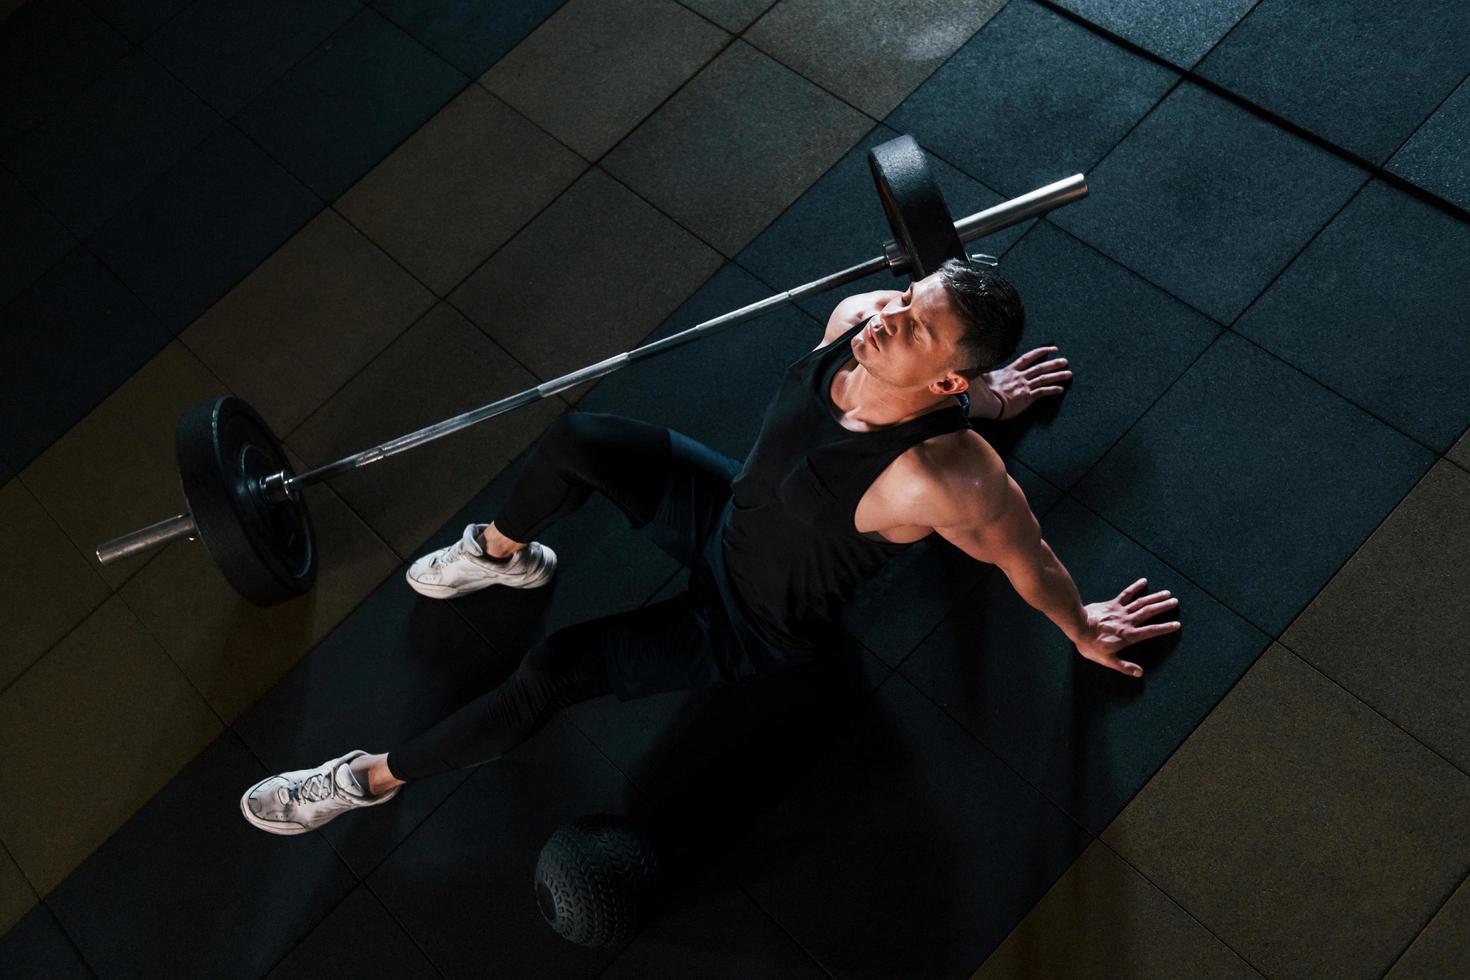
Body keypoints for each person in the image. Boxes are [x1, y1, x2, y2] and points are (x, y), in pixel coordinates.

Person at [239, 259, 1181, 836]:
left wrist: (1081, 622)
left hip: (754, 621)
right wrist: (999, 393)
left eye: (919, 326)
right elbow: (922, 358)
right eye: (908, 295)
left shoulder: (946, 481)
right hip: (727, 514)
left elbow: (1027, 557)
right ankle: (498, 551)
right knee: (582, 439)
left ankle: (360, 781)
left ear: (942, 380)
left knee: (554, 667)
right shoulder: (855, 322)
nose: (890, 315)